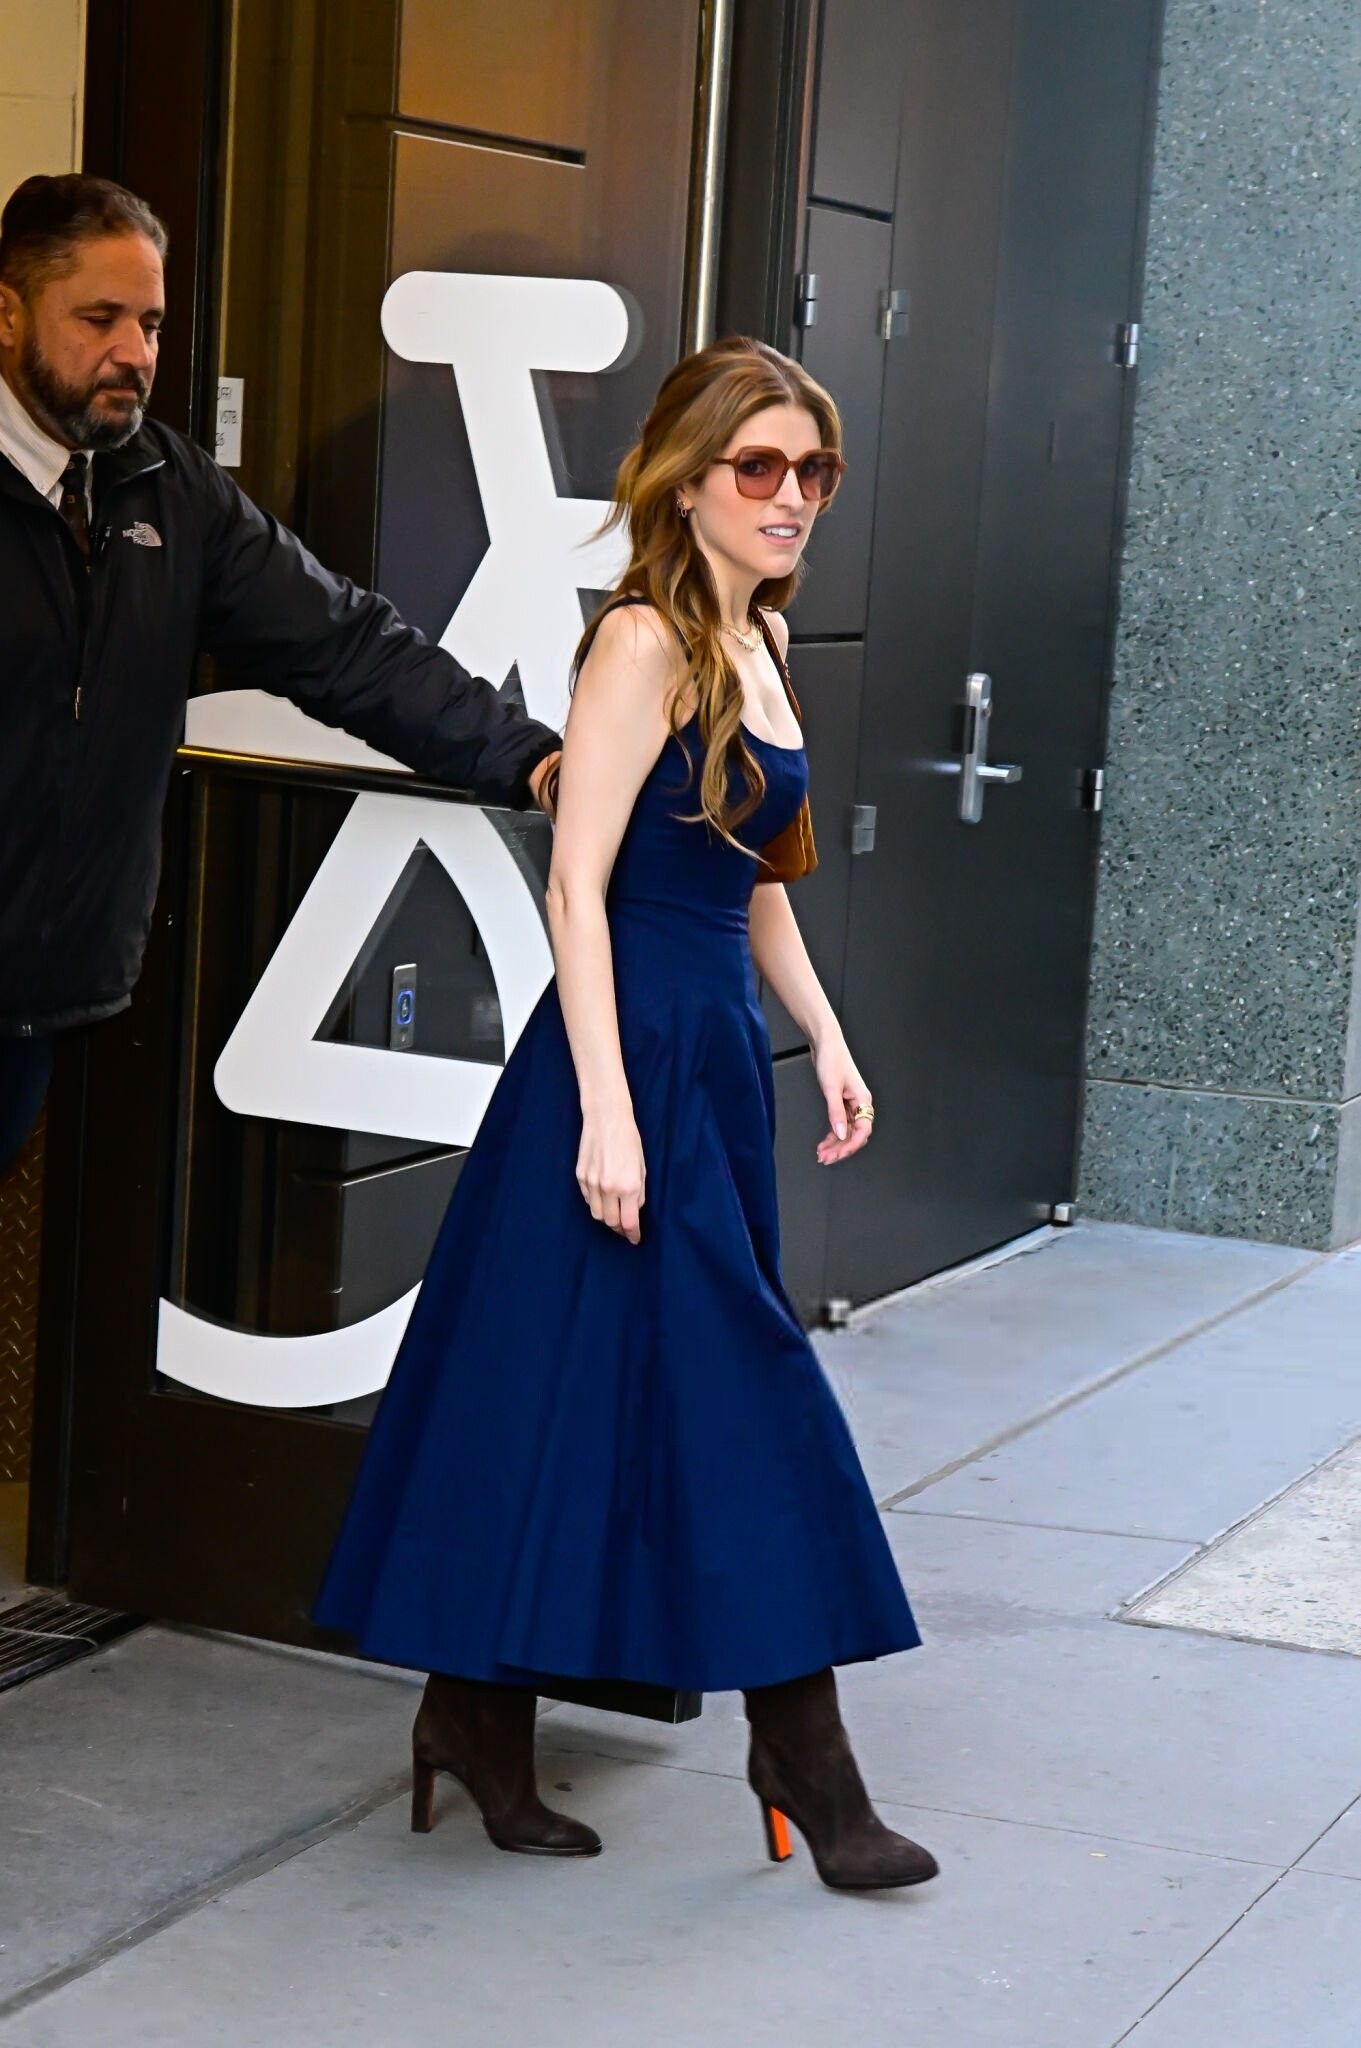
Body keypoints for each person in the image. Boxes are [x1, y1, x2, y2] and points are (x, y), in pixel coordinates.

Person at [315, 336, 938, 1894]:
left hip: (710, 1058)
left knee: (564, 1385)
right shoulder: (643, 643)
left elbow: (755, 881)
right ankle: (806, 1760)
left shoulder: (760, 641)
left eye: (814, 470)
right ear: (686, 476)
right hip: (623, 1061)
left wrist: (826, 1034)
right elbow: (577, 888)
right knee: (744, 1391)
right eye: (760, 466)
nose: (792, 496)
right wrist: (603, 1110)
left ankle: (473, 1715)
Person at [0, 174, 560, 1174]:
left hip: (39, 996)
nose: (135, 353)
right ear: (8, 314)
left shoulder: (167, 489)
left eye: (151, 324)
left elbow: (345, 643)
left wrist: (531, 760)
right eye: (99, 318)